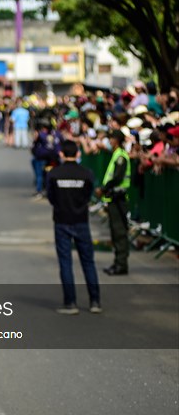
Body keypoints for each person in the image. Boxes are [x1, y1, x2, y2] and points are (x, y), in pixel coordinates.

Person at [46, 140, 102, 314]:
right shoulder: (87, 173)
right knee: (88, 262)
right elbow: (88, 195)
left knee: (65, 263)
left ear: (61, 154)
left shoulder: (54, 174)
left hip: (62, 220)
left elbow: (51, 197)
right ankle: (95, 301)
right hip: (81, 220)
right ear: (78, 154)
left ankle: (70, 303)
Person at [94, 129, 131, 276]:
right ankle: (118, 263)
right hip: (113, 198)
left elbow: (117, 178)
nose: (110, 141)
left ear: (117, 140)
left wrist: (103, 189)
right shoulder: (116, 154)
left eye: (112, 138)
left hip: (118, 199)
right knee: (115, 232)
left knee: (119, 232)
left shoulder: (121, 156)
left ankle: (121, 264)